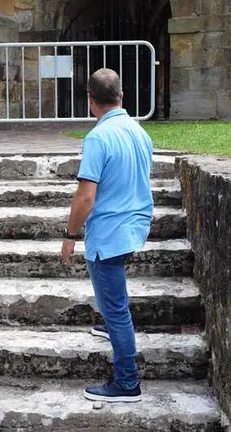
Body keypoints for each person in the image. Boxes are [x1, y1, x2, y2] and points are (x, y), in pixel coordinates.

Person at [61, 68, 154, 403]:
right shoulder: (138, 131)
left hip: (110, 232)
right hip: (135, 226)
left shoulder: (98, 138)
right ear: (121, 96)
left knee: (116, 309)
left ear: (90, 101)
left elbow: (86, 196)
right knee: (114, 301)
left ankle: (127, 383)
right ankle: (112, 325)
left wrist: (70, 234)